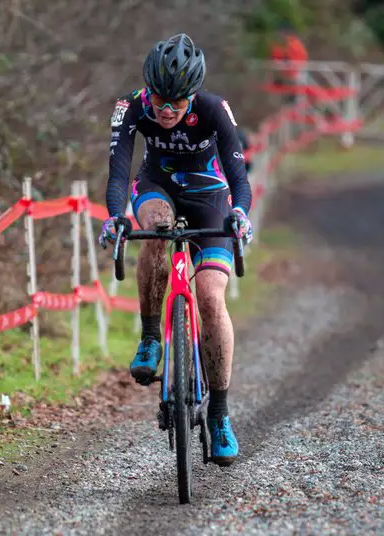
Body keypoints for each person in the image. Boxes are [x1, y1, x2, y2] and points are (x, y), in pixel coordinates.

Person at [99, 33, 253, 466]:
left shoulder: (213, 109)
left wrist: (240, 212)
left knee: (209, 296)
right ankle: (151, 337)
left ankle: (219, 414)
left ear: (192, 96)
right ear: (149, 90)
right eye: (160, 100)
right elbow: (117, 175)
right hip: (156, 187)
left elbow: (239, 178)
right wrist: (116, 217)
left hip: (209, 197)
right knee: (157, 229)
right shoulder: (129, 108)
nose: (167, 111)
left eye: (178, 103)